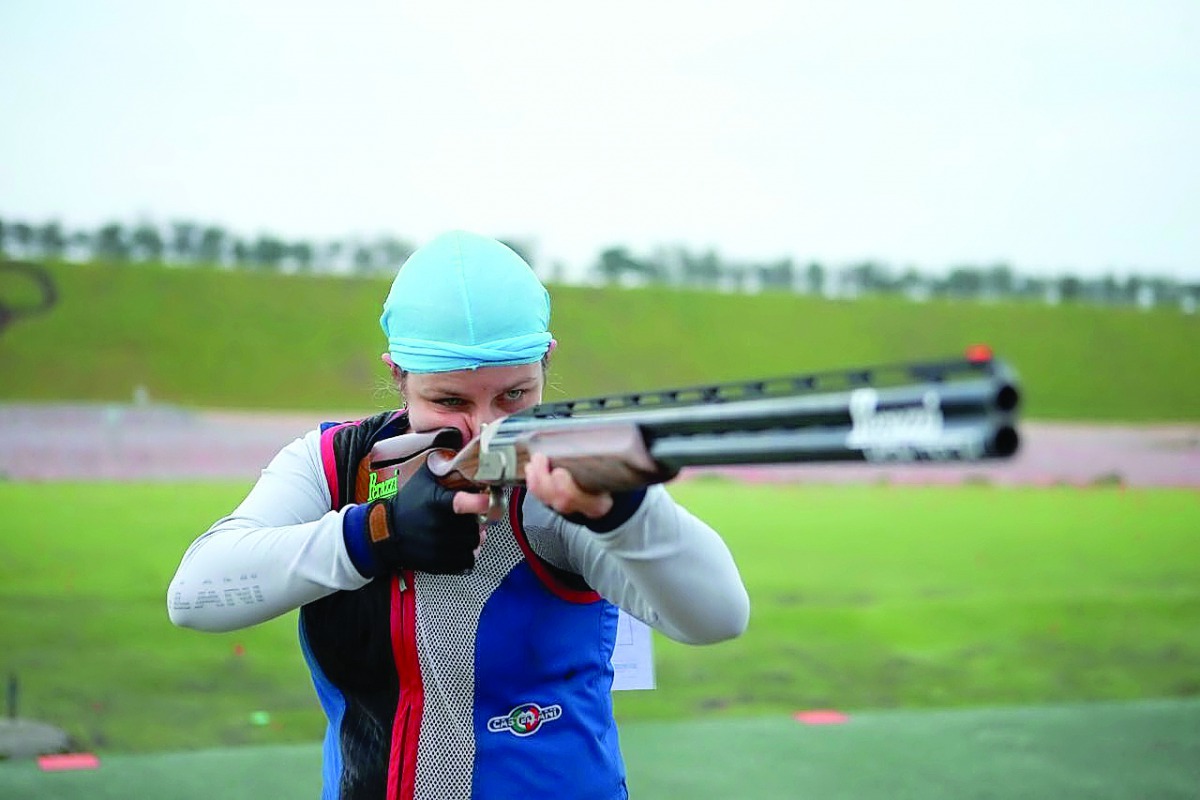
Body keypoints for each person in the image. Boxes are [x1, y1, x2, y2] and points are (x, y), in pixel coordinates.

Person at [167, 230, 750, 800]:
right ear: (398, 376)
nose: (486, 429)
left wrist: (623, 510)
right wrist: (377, 534)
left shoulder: (568, 475)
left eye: (514, 396)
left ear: (547, 363)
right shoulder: (333, 465)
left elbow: (717, 617)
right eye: (449, 401)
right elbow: (193, 595)